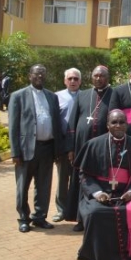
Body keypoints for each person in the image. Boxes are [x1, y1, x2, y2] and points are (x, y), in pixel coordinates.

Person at [75, 110, 131, 260]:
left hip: (125, 194)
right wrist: (97, 193)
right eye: (114, 122)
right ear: (107, 125)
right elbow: (85, 176)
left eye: (122, 122)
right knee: (95, 213)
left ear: (127, 124)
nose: (118, 125)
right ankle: (99, 256)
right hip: (101, 194)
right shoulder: (94, 144)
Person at [9, 64, 64, 233]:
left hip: (47, 148)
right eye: (36, 74)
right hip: (26, 150)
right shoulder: (18, 96)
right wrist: (15, 152)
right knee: (23, 186)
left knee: (44, 185)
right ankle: (23, 218)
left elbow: (56, 124)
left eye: (42, 74)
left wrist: (57, 150)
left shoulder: (51, 96)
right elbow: (13, 127)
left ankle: (39, 217)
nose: (39, 77)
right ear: (29, 76)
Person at [66, 65, 113, 228]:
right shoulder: (83, 95)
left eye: (102, 75)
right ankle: (80, 218)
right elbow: (72, 122)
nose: (98, 78)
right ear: (91, 77)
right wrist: (71, 148)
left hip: (103, 150)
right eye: (96, 75)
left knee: (98, 182)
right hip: (81, 147)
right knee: (80, 180)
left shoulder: (113, 95)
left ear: (108, 78)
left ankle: (97, 216)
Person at [52, 68, 81, 223]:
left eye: (76, 79)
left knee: (78, 179)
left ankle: (76, 209)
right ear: (65, 80)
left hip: (81, 145)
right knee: (63, 178)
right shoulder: (57, 97)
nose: (73, 81)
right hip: (63, 145)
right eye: (70, 78)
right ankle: (62, 210)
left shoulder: (85, 96)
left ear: (80, 81)